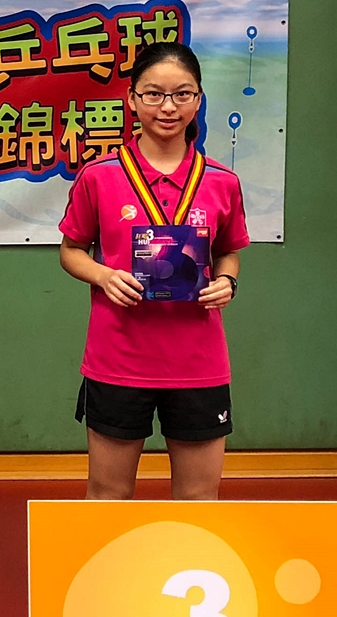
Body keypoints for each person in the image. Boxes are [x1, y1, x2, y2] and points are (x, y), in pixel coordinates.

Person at [58, 41, 248, 500]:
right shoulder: (99, 175)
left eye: (182, 94)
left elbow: (228, 251)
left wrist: (227, 281)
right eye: (153, 94)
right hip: (118, 359)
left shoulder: (222, 181)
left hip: (198, 363)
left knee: (199, 501)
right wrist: (104, 275)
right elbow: (71, 251)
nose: (168, 107)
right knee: (108, 497)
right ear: (132, 99)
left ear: (198, 99)